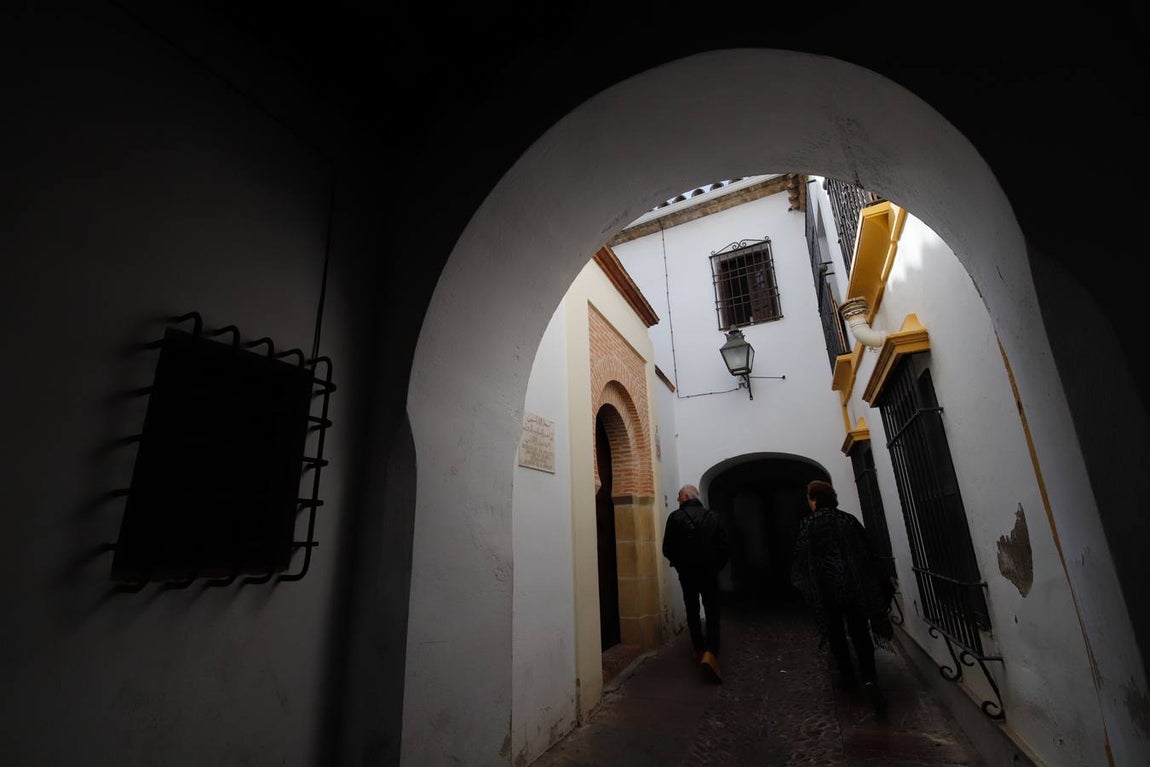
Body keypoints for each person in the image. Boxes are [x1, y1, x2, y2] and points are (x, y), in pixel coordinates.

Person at [790, 479, 894, 716]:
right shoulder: (849, 521)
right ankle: (869, 679)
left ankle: (848, 678)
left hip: (827, 592)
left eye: (809, 498)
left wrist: (807, 588)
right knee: (860, 633)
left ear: (814, 499)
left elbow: (801, 563)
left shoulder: (809, 525)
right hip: (854, 589)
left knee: (836, 635)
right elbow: (868, 553)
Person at [662, 484, 730, 682]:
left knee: (692, 610)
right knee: (712, 610)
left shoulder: (675, 518)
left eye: (678, 497)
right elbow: (724, 547)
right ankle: (711, 652)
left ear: (684, 496)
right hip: (709, 572)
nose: (677, 500)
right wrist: (716, 566)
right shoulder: (712, 517)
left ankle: (699, 649)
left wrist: (681, 564)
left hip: (687, 574)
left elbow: (667, 548)